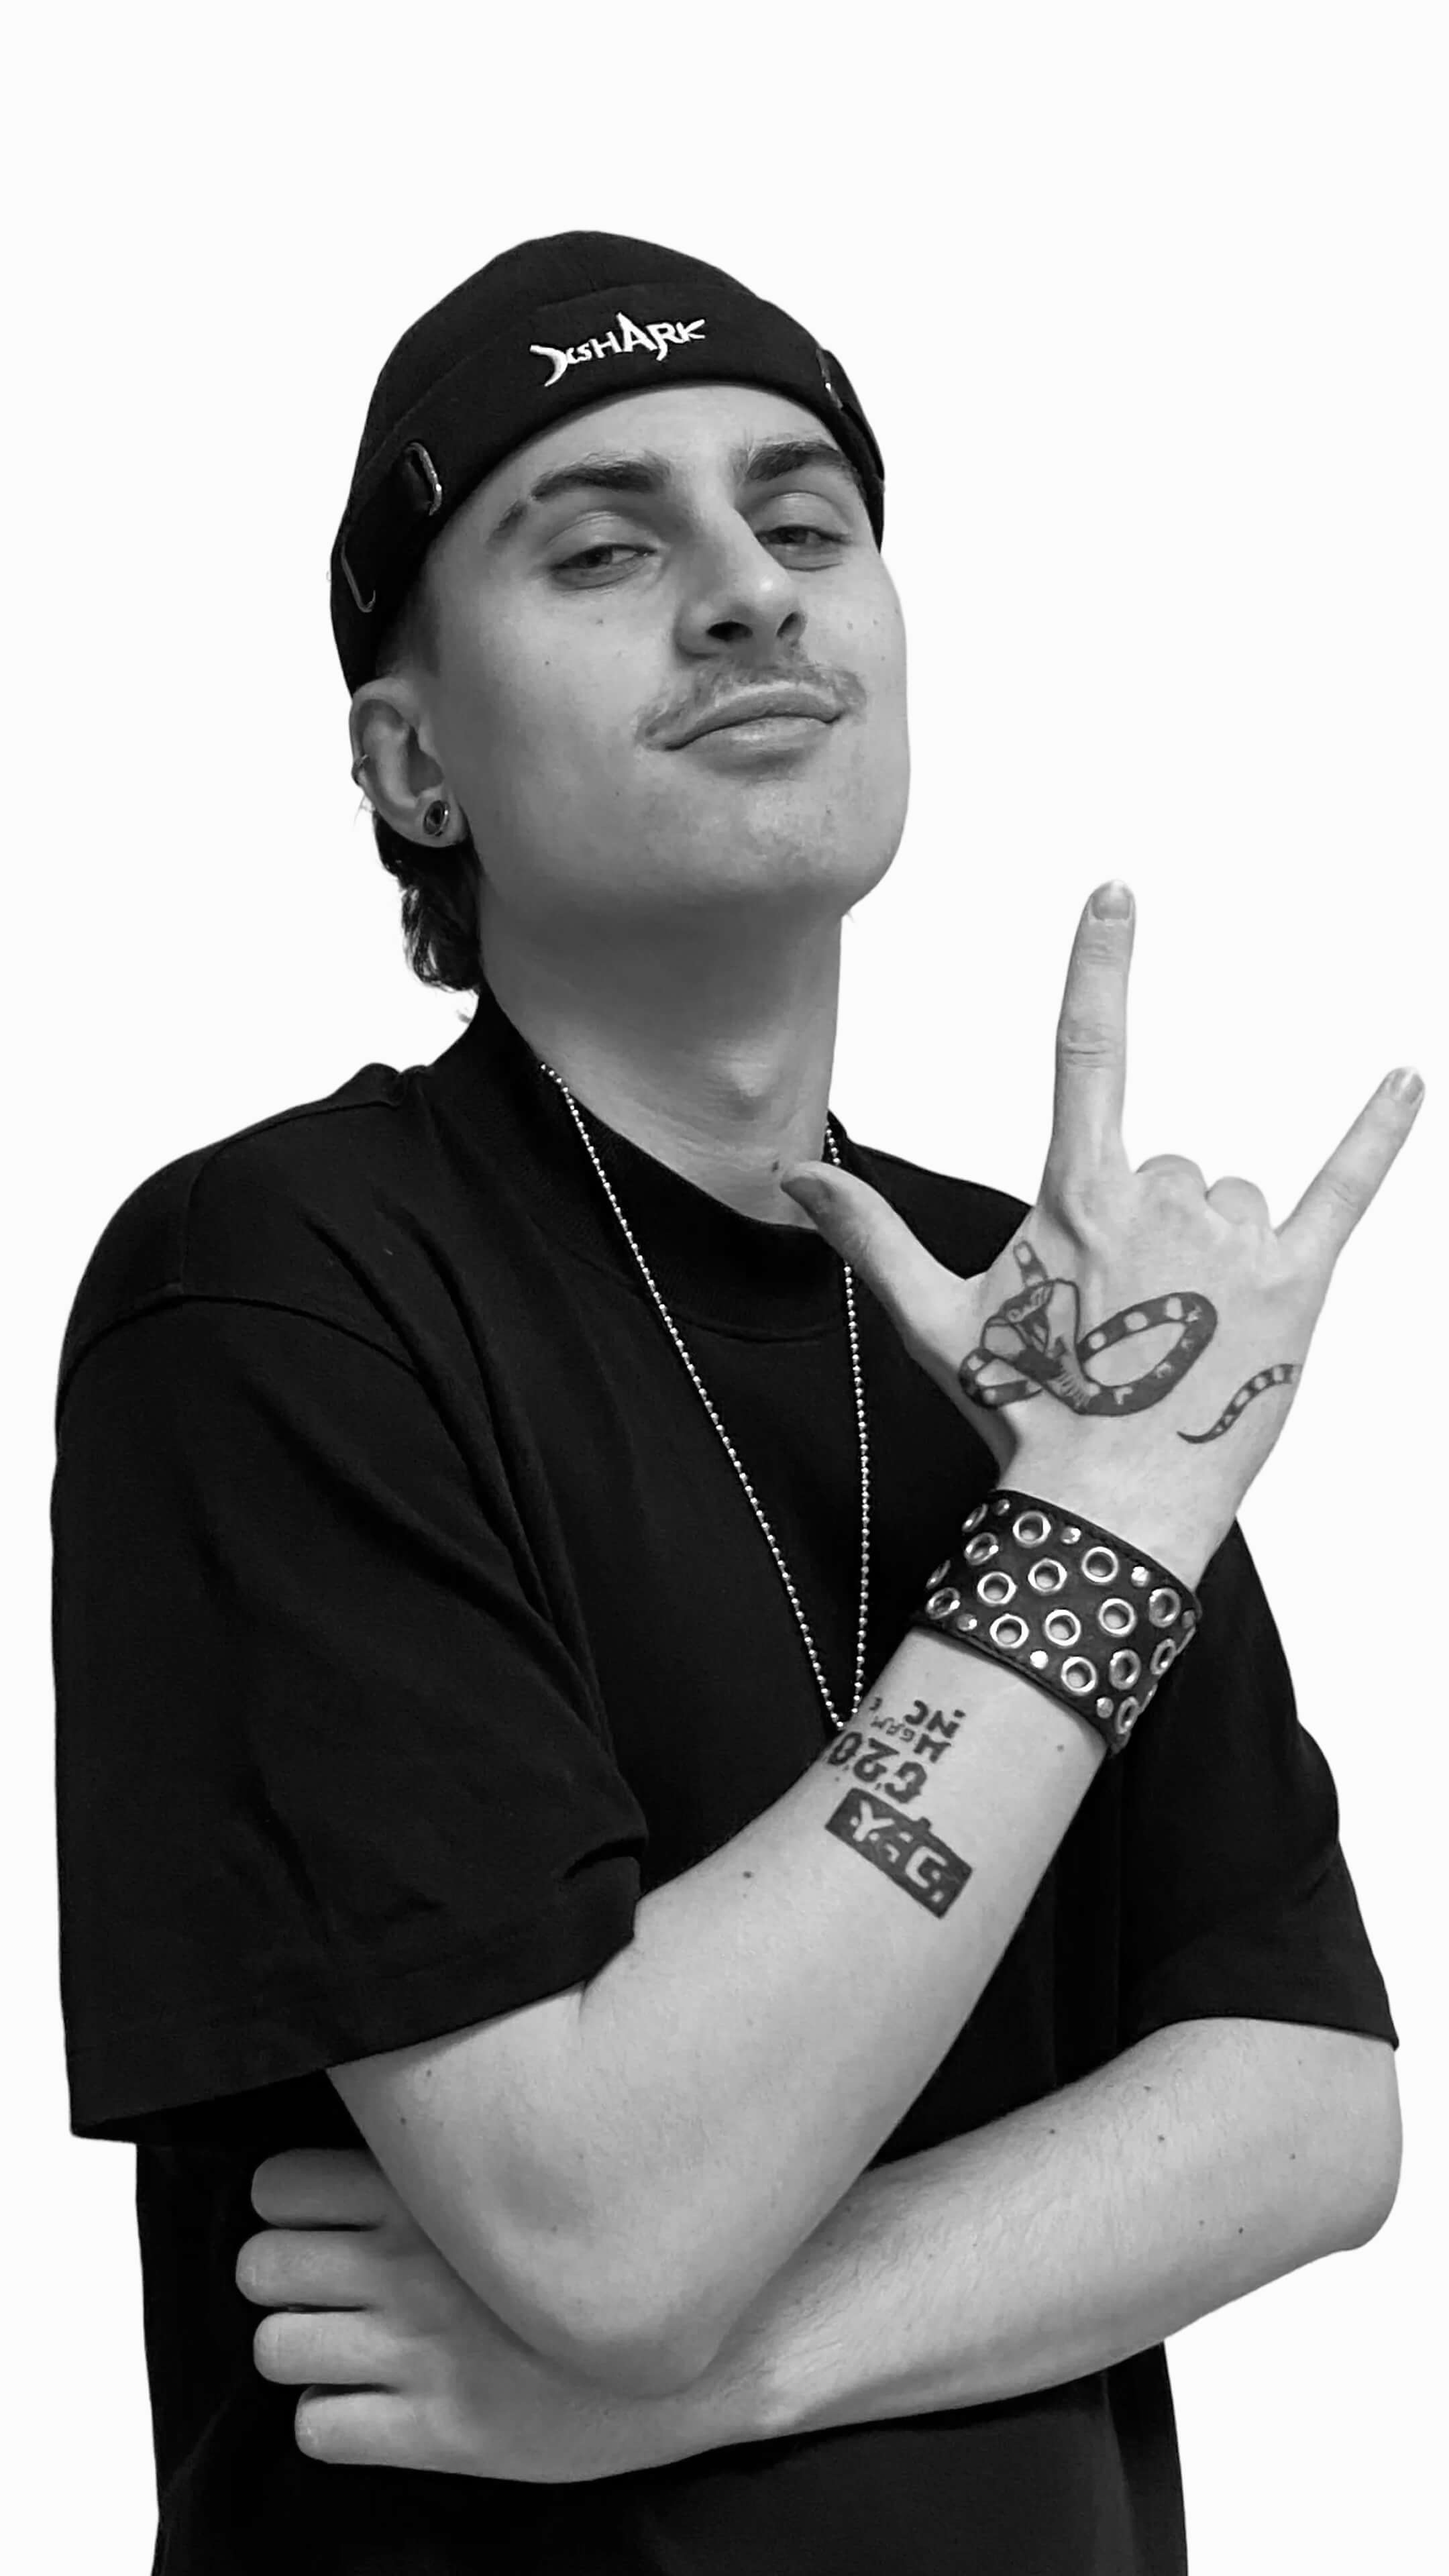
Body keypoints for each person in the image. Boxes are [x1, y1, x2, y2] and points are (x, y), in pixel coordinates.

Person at [51, 230, 1419, 2575]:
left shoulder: (1046, 1309)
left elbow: (1310, 2109)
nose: (750, 593)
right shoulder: (277, 1288)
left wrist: (727, 2368)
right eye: (602, 550)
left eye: (805, 523)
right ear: (414, 761)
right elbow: (608, 2227)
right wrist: (1095, 1530)